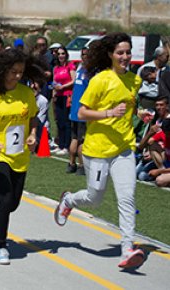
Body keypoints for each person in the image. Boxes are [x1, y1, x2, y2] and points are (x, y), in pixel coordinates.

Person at [54, 32, 145, 269]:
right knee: (95, 197)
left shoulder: (134, 80)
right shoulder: (101, 80)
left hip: (124, 148)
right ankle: (69, 200)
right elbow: (82, 113)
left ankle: (127, 249)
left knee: (127, 198)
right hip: (98, 149)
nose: (125, 57)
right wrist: (107, 114)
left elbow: (128, 109)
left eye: (128, 52)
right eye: (120, 53)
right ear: (110, 55)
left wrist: (140, 114)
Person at [0, 48, 45, 265]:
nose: (17, 76)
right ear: (3, 71)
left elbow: (33, 118)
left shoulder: (26, 94)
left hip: (19, 156)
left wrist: (32, 135)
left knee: (13, 204)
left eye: (21, 72)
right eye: (13, 71)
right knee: (4, 200)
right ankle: (1, 246)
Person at [67, 46, 89, 175]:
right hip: (83, 109)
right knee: (82, 140)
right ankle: (81, 166)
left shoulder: (80, 69)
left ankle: (71, 164)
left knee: (74, 138)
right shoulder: (89, 71)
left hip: (75, 109)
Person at [52, 45, 76, 156]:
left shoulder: (70, 66)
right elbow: (54, 82)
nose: (61, 56)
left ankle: (67, 145)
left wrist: (63, 87)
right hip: (59, 96)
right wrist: (54, 93)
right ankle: (60, 144)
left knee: (66, 121)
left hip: (67, 95)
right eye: (59, 54)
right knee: (59, 121)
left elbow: (73, 80)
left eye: (63, 53)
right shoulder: (56, 68)